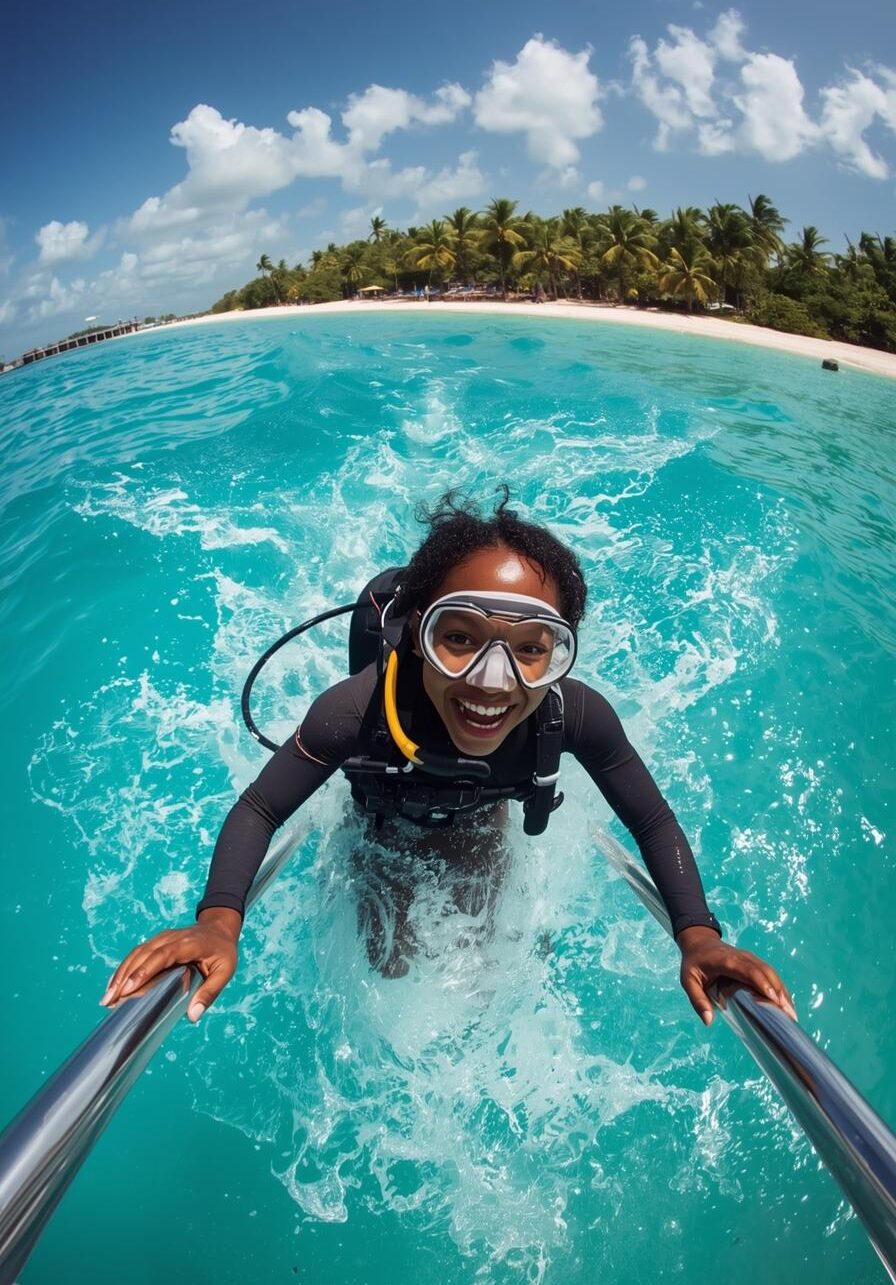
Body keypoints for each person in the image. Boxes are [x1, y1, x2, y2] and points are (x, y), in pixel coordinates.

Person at [101, 491, 796, 1027]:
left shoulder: (573, 712)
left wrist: (699, 936)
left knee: (497, 969)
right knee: (387, 961)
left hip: (479, 827)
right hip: (381, 824)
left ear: (559, 654)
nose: (493, 682)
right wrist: (219, 920)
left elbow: (651, 818)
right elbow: (261, 806)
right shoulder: (355, 712)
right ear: (412, 634)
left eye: (531, 648)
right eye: (458, 638)